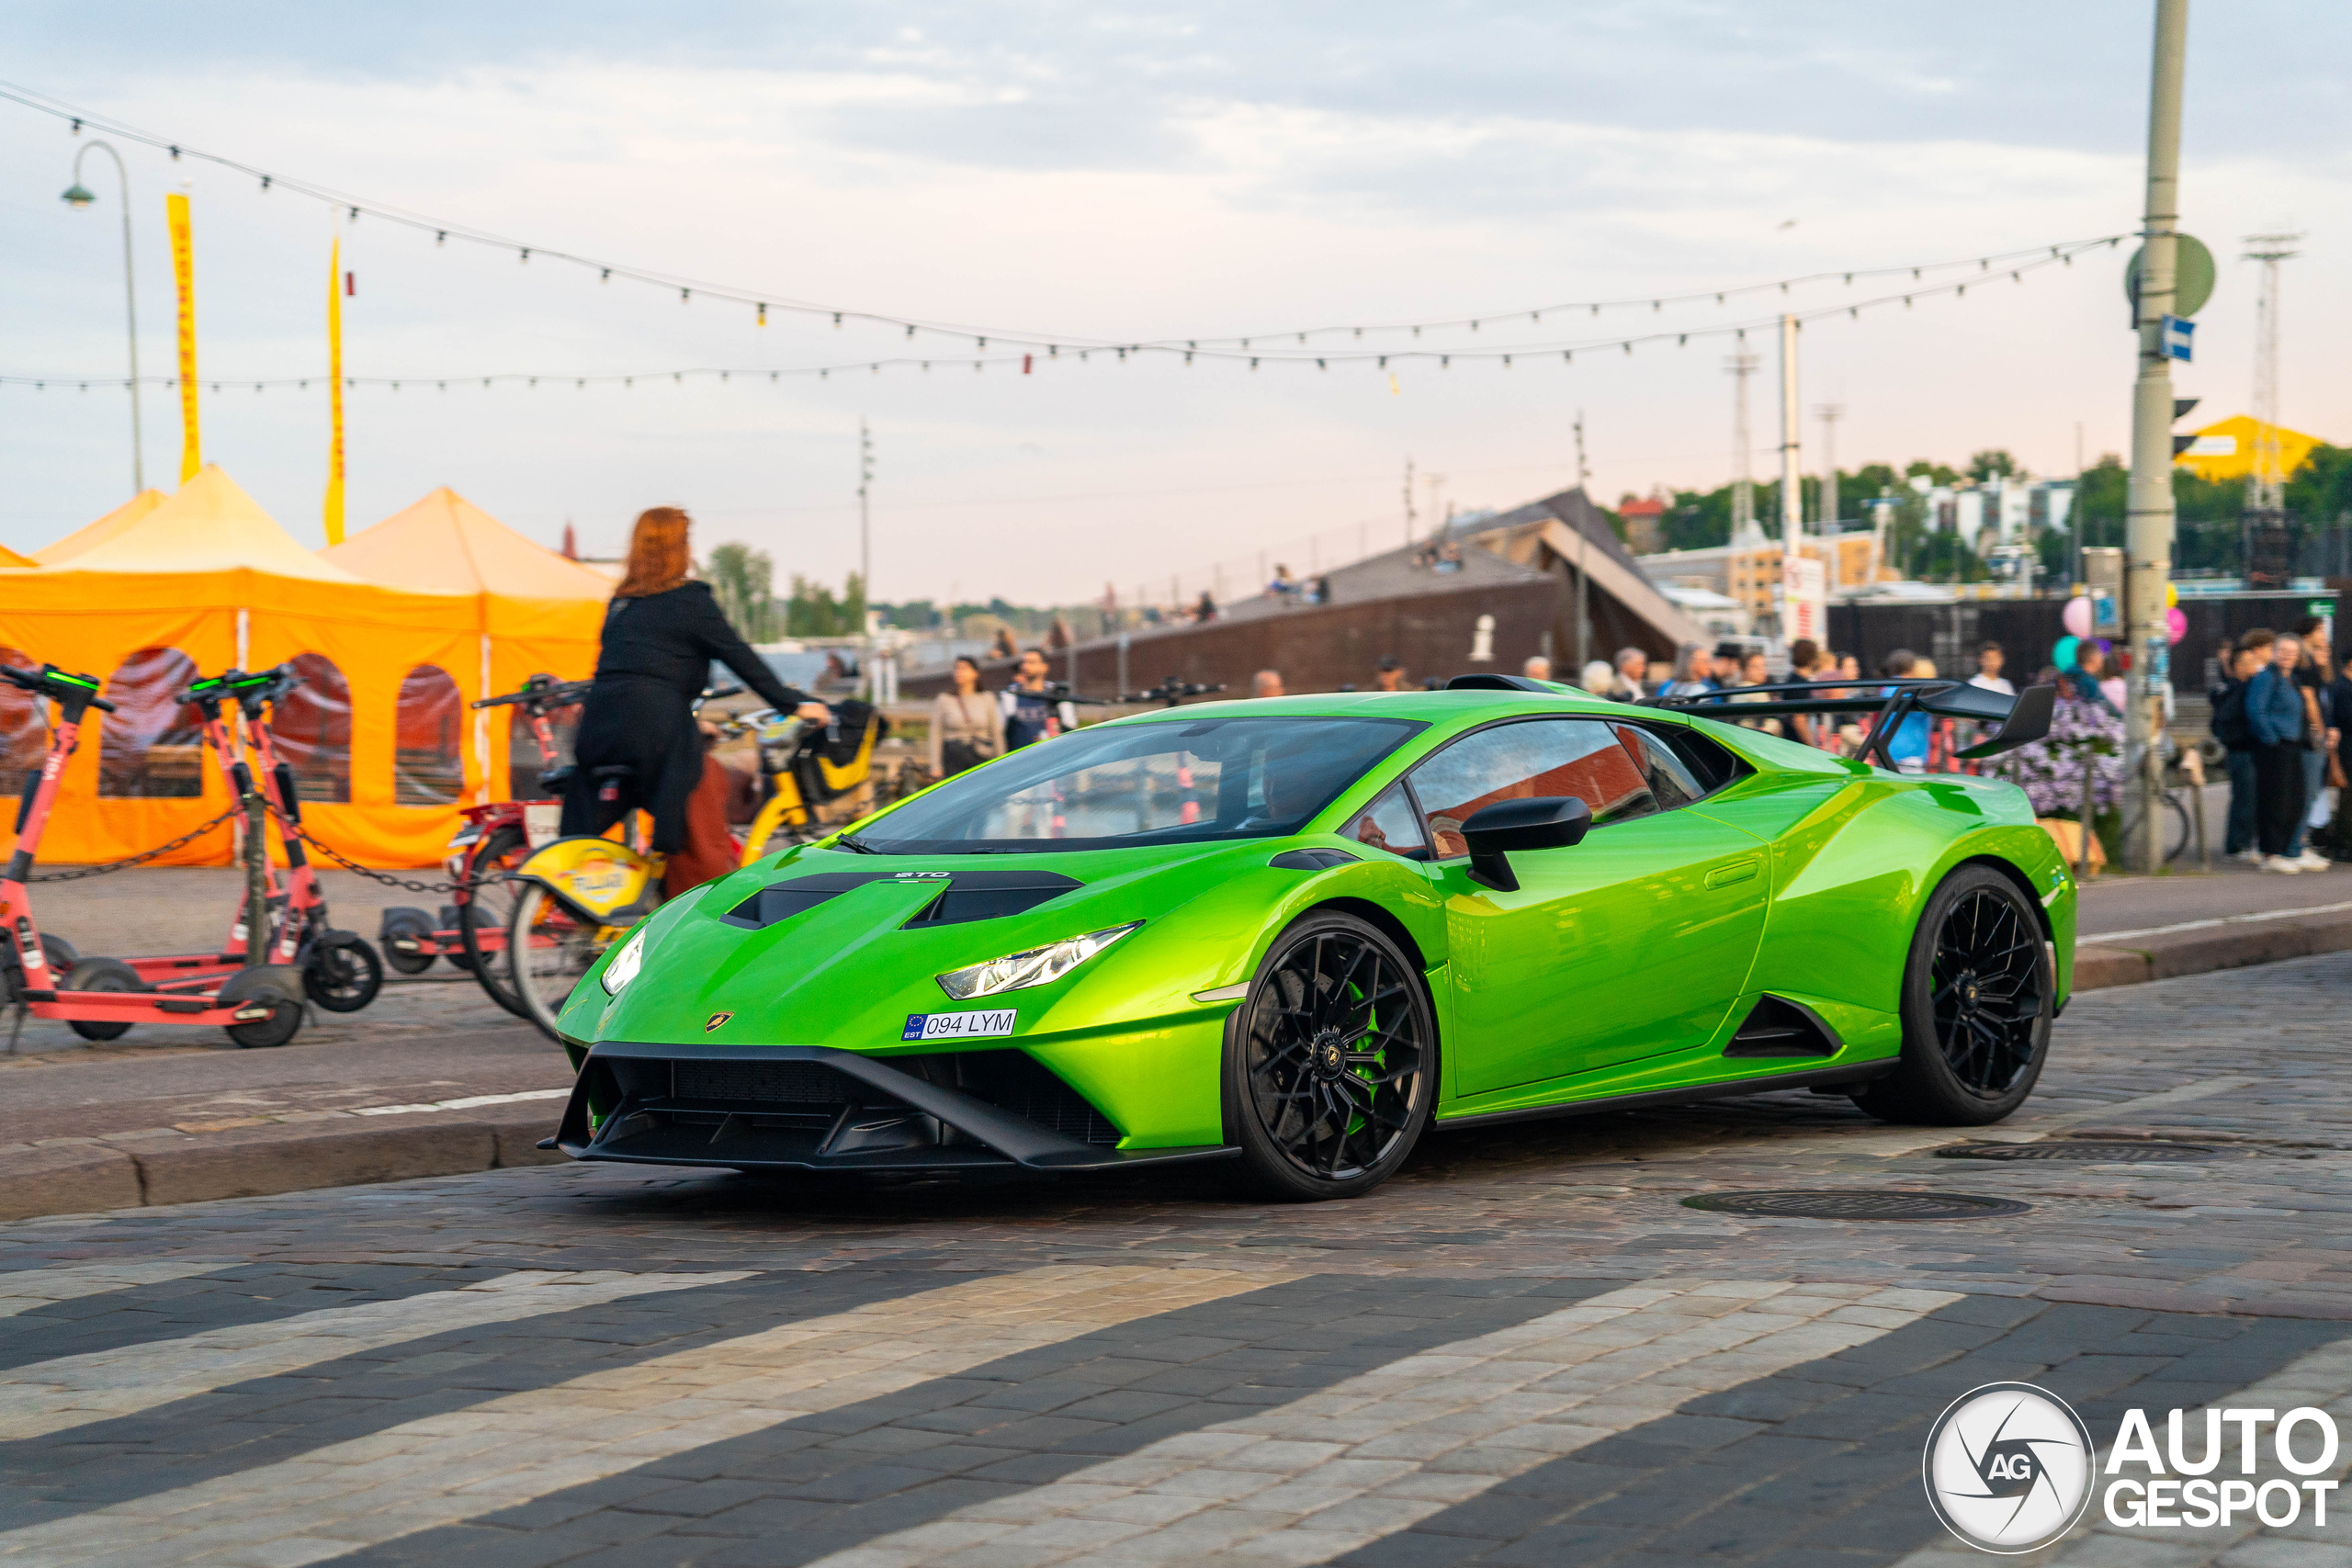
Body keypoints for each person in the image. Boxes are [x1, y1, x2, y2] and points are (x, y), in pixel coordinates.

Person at [561, 507, 829, 898]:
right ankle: (699, 910)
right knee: (702, 796)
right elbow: (741, 657)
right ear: (679, 549)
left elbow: (634, 672)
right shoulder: (689, 599)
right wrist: (794, 704)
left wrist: (687, 723)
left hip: (600, 728)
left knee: (674, 787)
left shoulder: (621, 604)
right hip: (654, 730)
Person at [2247, 631, 2311, 873]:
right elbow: (2255, 710)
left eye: (2292, 653)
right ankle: (2271, 852)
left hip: (2292, 744)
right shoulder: (2266, 678)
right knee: (2275, 800)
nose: (2287, 656)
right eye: (2283, 651)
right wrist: (2271, 738)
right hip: (2274, 746)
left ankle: (2283, 848)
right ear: (2274, 653)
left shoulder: (2291, 679)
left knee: (2296, 798)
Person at [2288, 616, 2336, 867]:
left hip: (2302, 735)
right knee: (2306, 792)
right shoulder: (2305, 663)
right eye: (2319, 629)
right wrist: (2320, 729)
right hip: (2308, 736)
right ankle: (2296, 845)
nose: (2323, 633)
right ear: (2308, 633)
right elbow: (2309, 699)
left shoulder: (2304, 661)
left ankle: (2298, 843)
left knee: (2307, 792)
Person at [2211, 640, 2262, 862]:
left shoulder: (2242, 687)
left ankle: (2245, 841)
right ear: (2238, 666)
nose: (2254, 666)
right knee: (2245, 797)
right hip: (2241, 750)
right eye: (2249, 662)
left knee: (2249, 796)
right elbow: (2225, 719)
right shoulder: (2234, 689)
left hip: (2245, 749)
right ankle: (2238, 844)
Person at [930, 655, 1002, 779]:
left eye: (964, 669)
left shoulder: (987, 698)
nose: (959, 672)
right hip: (953, 757)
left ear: (975, 673)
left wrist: (1001, 761)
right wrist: (935, 766)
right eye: (957, 669)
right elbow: (935, 733)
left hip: (981, 755)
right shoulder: (944, 699)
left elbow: (996, 732)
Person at [1001, 647, 1069, 751]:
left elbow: (1070, 727)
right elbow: (1002, 732)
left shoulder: (1056, 694)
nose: (1025, 666)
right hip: (1021, 758)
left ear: (1044, 667)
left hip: (1053, 754)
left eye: (1032, 662)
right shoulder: (1011, 695)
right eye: (1024, 662)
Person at [1879, 649, 1930, 773]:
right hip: (1911, 756)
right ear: (1913, 668)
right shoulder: (1913, 691)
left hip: (1887, 752)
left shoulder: (1886, 690)